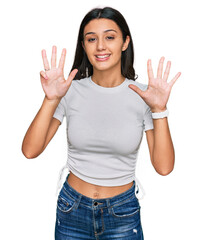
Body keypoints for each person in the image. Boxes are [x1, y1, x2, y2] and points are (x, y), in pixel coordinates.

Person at [22, 6, 181, 240]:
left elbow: (164, 167)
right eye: (91, 39)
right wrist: (51, 99)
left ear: (125, 42)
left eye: (110, 37)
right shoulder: (68, 90)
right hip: (71, 209)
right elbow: (30, 150)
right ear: (84, 45)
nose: (100, 46)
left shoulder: (146, 95)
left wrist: (159, 110)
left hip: (123, 213)